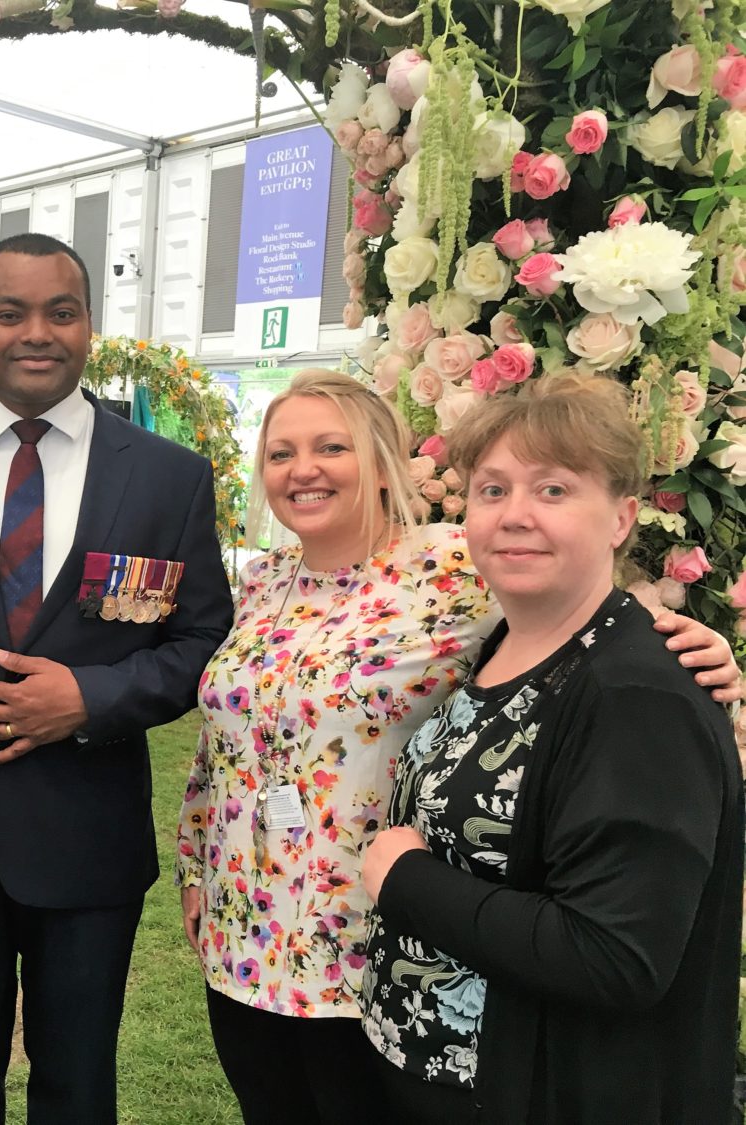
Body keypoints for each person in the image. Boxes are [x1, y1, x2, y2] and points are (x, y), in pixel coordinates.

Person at [175, 370, 740, 1124]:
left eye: (331, 446)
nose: (303, 468)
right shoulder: (262, 581)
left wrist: (686, 644)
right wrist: (196, 863)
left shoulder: (451, 567)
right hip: (247, 928)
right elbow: (227, 738)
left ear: (382, 463)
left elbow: (576, 611)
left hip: (367, 938)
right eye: (282, 452)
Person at [0, 232, 234, 1124]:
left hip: (88, 840)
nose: (37, 332)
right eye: (11, 312)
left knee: (77, 1087)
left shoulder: (168, 478)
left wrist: (89, 698)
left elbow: (203, 640)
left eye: (60, 312)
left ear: (89, 325)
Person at [359, 375, 742, 1124]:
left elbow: (615, 956)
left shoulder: (637, 696)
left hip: (531, 1091)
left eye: (554, 489)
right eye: (492, 490)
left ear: (621, 517)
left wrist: (405, 879)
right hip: (431, 1072)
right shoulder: (507, 642)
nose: (515, 514)